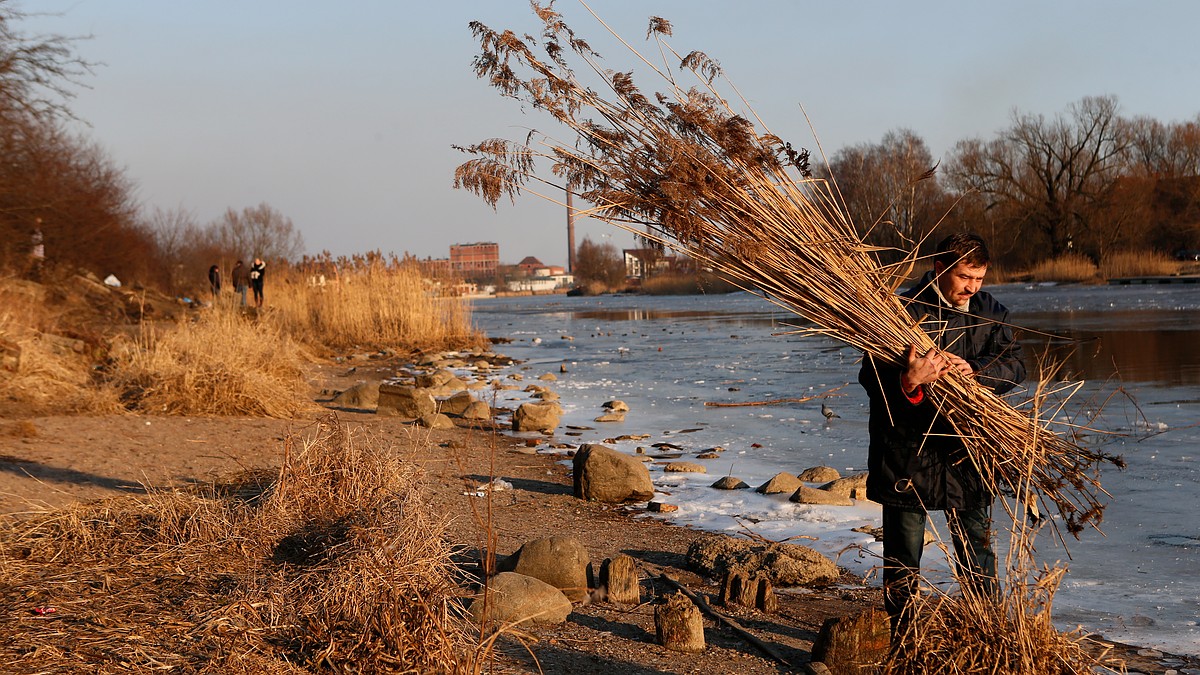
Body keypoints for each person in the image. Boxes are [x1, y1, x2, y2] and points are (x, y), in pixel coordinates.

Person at [857, 233, 1026, 638]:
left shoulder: (990, 313)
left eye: (980, 278)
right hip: (907, 455)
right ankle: (904, 640)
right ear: (939, 269)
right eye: (965, 277)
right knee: (902, 559)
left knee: (978, 554)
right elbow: (870, 377)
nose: (973, 287)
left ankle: (991, 636)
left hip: (966, 453)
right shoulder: (898, 313)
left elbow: (1016, 363)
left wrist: (977, 372)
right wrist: (909, 381)